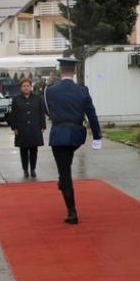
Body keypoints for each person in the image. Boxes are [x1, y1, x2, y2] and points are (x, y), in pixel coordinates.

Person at [44, 57, 102, 224]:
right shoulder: (83, 90)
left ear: (60, 71)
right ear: (75, 71)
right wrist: (97, 136)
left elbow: (48, 111)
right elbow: (91, 114)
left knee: (64, 171)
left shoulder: (50, 90)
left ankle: (72, 211)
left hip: (58, 133)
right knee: (66, 163)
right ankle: (63, 181)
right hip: (77, 135)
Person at [8, 78, 46, 178]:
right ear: (21, 88)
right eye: (24, 86)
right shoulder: (16, 100)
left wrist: (43, 125)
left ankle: (33, 169)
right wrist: (14, 127)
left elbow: (41, 113)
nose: (26, 88)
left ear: (31, 87)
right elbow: (13, 115)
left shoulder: (37, 98)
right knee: (23, 150)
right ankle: (25, 169)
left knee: (34, 149)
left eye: (27, 86)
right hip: (21, 128)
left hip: (35, 128)